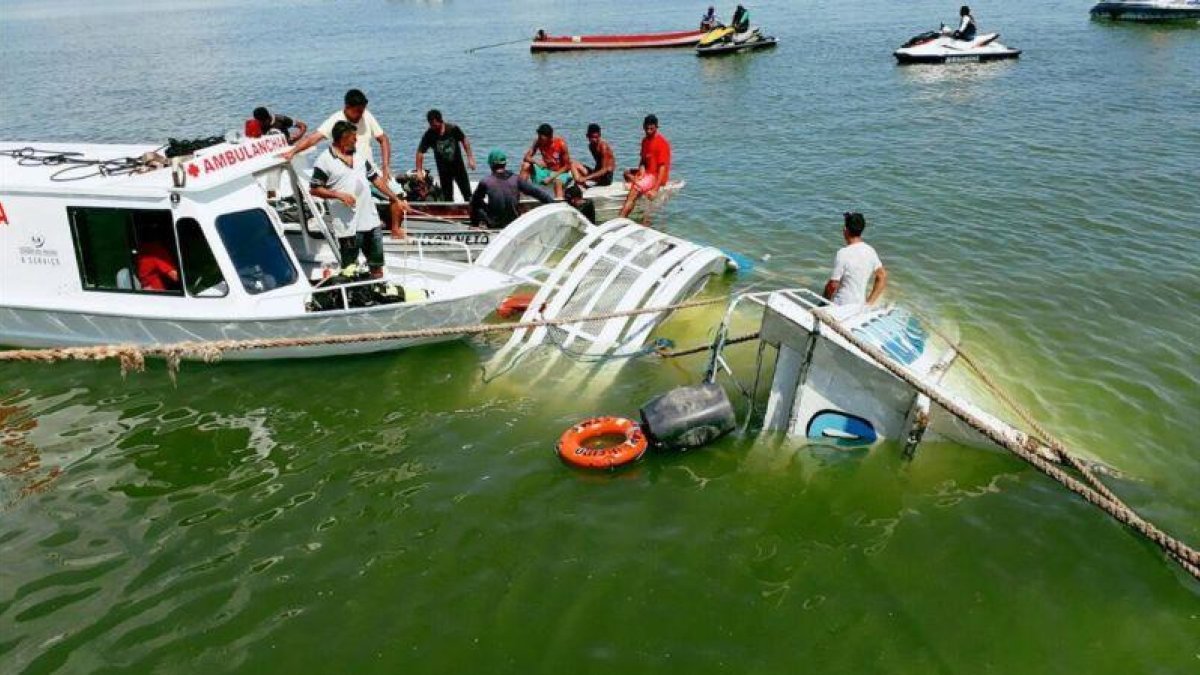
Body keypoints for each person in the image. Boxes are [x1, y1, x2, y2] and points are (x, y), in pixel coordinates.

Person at [308, 121, 408, 278]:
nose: (356, 141)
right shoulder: (324, 161)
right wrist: (338, 195)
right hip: (348, 226)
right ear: (342, 139)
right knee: (349, 270)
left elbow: (376, 179)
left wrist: (395, 198)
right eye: (353, 138)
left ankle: (378, 288)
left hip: (371, 221)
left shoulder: (359, 156)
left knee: (377, 266)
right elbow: (314, 189)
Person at [283, 89, 393, 183]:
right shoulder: (335, 120)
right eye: (357, 112)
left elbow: (383, 139)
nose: (360, 115)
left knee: (397, 194)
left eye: (362, 111)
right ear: (347, 107)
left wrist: (385, 166)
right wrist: (292, 152)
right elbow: (313, 138)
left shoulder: (366, 115)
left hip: (370, 171)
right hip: (350, 175)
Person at [469, 150, 555, 228]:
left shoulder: (486, 181)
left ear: (491, 165)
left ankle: (475, 225)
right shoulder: (516, 179)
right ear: (505, 164)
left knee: (474, 201)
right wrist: (553, 204)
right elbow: (538, 193)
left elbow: (475, 201)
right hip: (513, 223)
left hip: (494, 223)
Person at [823, 212, 887, 306]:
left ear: (845, 230)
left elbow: (833, 284)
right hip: (859, 307)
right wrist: (869, 303)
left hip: (841, 306)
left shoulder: (843, 253)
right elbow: (882, 276)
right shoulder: (870, 251)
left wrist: (823, 301)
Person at [415, 109, 476, 202]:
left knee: (467, 193)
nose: (433, 127)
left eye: (435, 125)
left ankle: (471, 211)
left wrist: (470, 158)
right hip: (443, 170)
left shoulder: (452, 129)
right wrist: (419, 170)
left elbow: (464, 140)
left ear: (440, 121)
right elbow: (420, 152)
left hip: (458, 167)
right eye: (431, 125)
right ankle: (450, 212)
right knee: (447, 196)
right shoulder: (429, 134)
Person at [618, 114, 671, 221]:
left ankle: (620, 220)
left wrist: (655, 189)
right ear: (643, 127)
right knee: (626, 173)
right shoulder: (645, 141)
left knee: (633, 191)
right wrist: (641, 172)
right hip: (647, 172)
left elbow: (662, 168)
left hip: (655, 176)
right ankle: (640, 205)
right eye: (646, 128)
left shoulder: (662, 143)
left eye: (651, 128)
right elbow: (643, 161)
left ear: (656, 127)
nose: (648, 131)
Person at [520, 123, 572, 200]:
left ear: (550, 137)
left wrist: (551, 177)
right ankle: (519, 194)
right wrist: (536, 162)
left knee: (557, 182)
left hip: (560, 172)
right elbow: (526, 157)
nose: (540, 140)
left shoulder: (561, 144)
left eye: (542, 138)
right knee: (526, 165)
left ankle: (559, 202)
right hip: (546, 171)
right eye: (539, 137)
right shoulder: (538, 142)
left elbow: (567, 166)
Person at [571, 123, 616, 187]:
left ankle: (580, 184)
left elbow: (604, 170)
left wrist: (586, 178)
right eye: (592, 137)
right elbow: (598, 164)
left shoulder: (603, 147)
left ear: (599, 135)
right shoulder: (591, 146)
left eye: (596, 137)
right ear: (587, 136)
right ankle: (580, 184)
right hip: (598, 174)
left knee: (581, 175)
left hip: (606, 177)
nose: (594, 140)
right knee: (573, 163)